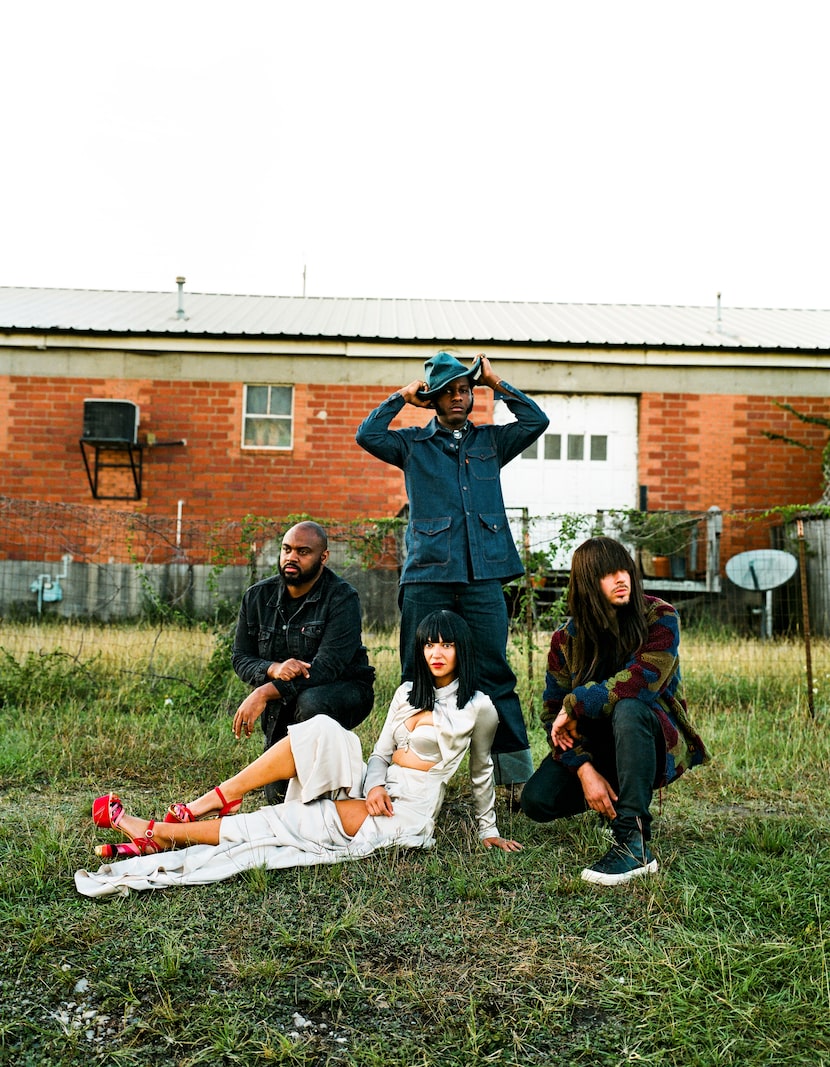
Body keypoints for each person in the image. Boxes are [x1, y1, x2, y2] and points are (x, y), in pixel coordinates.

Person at [76, 610, 521, 897]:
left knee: (287, 824)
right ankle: (216, 798)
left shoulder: (479, 707)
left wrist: (488, 831)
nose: (436, 653)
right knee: (323, 728)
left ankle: (161, 833)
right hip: (377, 791)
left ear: (462, 649)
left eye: (446, 644)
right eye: (429, 644)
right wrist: (375, 785)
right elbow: (381, 753)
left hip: (410, 813)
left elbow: (481, 771)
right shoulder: (407, 692)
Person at [355, 350, 548, 795]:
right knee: (415, 675)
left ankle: (516, 782)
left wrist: (497, 383)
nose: (460, 398)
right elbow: (367, 434)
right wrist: (401, 397)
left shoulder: (491, 442)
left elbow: (535, 421)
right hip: (427, 577)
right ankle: (403, 775)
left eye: (466, 390)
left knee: (495, 674)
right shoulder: (411, 445)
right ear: (434, 399)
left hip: (483, 578)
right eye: (449, 392)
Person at [520, 535, 709, 886]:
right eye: (608, 573)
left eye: (624, 569)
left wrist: (576, 702)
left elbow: (640, 681)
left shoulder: (659, 617)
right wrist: (585, 771)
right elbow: (552, 715)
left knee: (628, 707)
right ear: (588, 583)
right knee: (537, 801)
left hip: (649, 736)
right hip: (598, 744)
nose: (621, 578)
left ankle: (633, 843)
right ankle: (614, 797)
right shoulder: (566, 640)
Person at [230, 520, 375, 802]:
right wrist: (272, 668)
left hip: (343, 690)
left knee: (311, 702)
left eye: (302, 551)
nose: (291, 557)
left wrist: (264, 691)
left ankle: (330, 782)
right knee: (277, 796)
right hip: (286, 701)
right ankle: (309, 772)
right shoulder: (258, 597)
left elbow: (327, 668)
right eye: (286, 549)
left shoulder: (342, 598)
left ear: (323, 557)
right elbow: (241, 657)